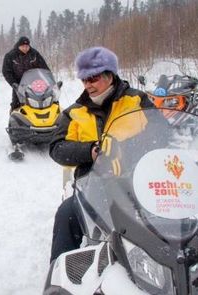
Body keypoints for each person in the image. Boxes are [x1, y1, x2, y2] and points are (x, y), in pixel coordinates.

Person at [48, 46, 154, 263]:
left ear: (110, 75)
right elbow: (57, 147)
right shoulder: (74, 112)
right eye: (84, 79)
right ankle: (59, 272)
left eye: (93, 78)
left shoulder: (137, 101)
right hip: (92, 187)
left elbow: (163, 136)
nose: (88, 84)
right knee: (66, 215)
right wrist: (90, 150)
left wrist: (127, 148)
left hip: (138, 184)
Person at [2, 36, 50, 112]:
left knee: (43, 102)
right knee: (16, 105)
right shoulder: (10, 56)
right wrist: (14, 84)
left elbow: (44, 68)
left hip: (35, 84)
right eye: (23, 46)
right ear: (19, 46)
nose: (25, 48)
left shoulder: (34, 54)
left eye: (27, 46)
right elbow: (6, 72)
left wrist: (48, 79)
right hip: (19, 84)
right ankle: (14, 121)